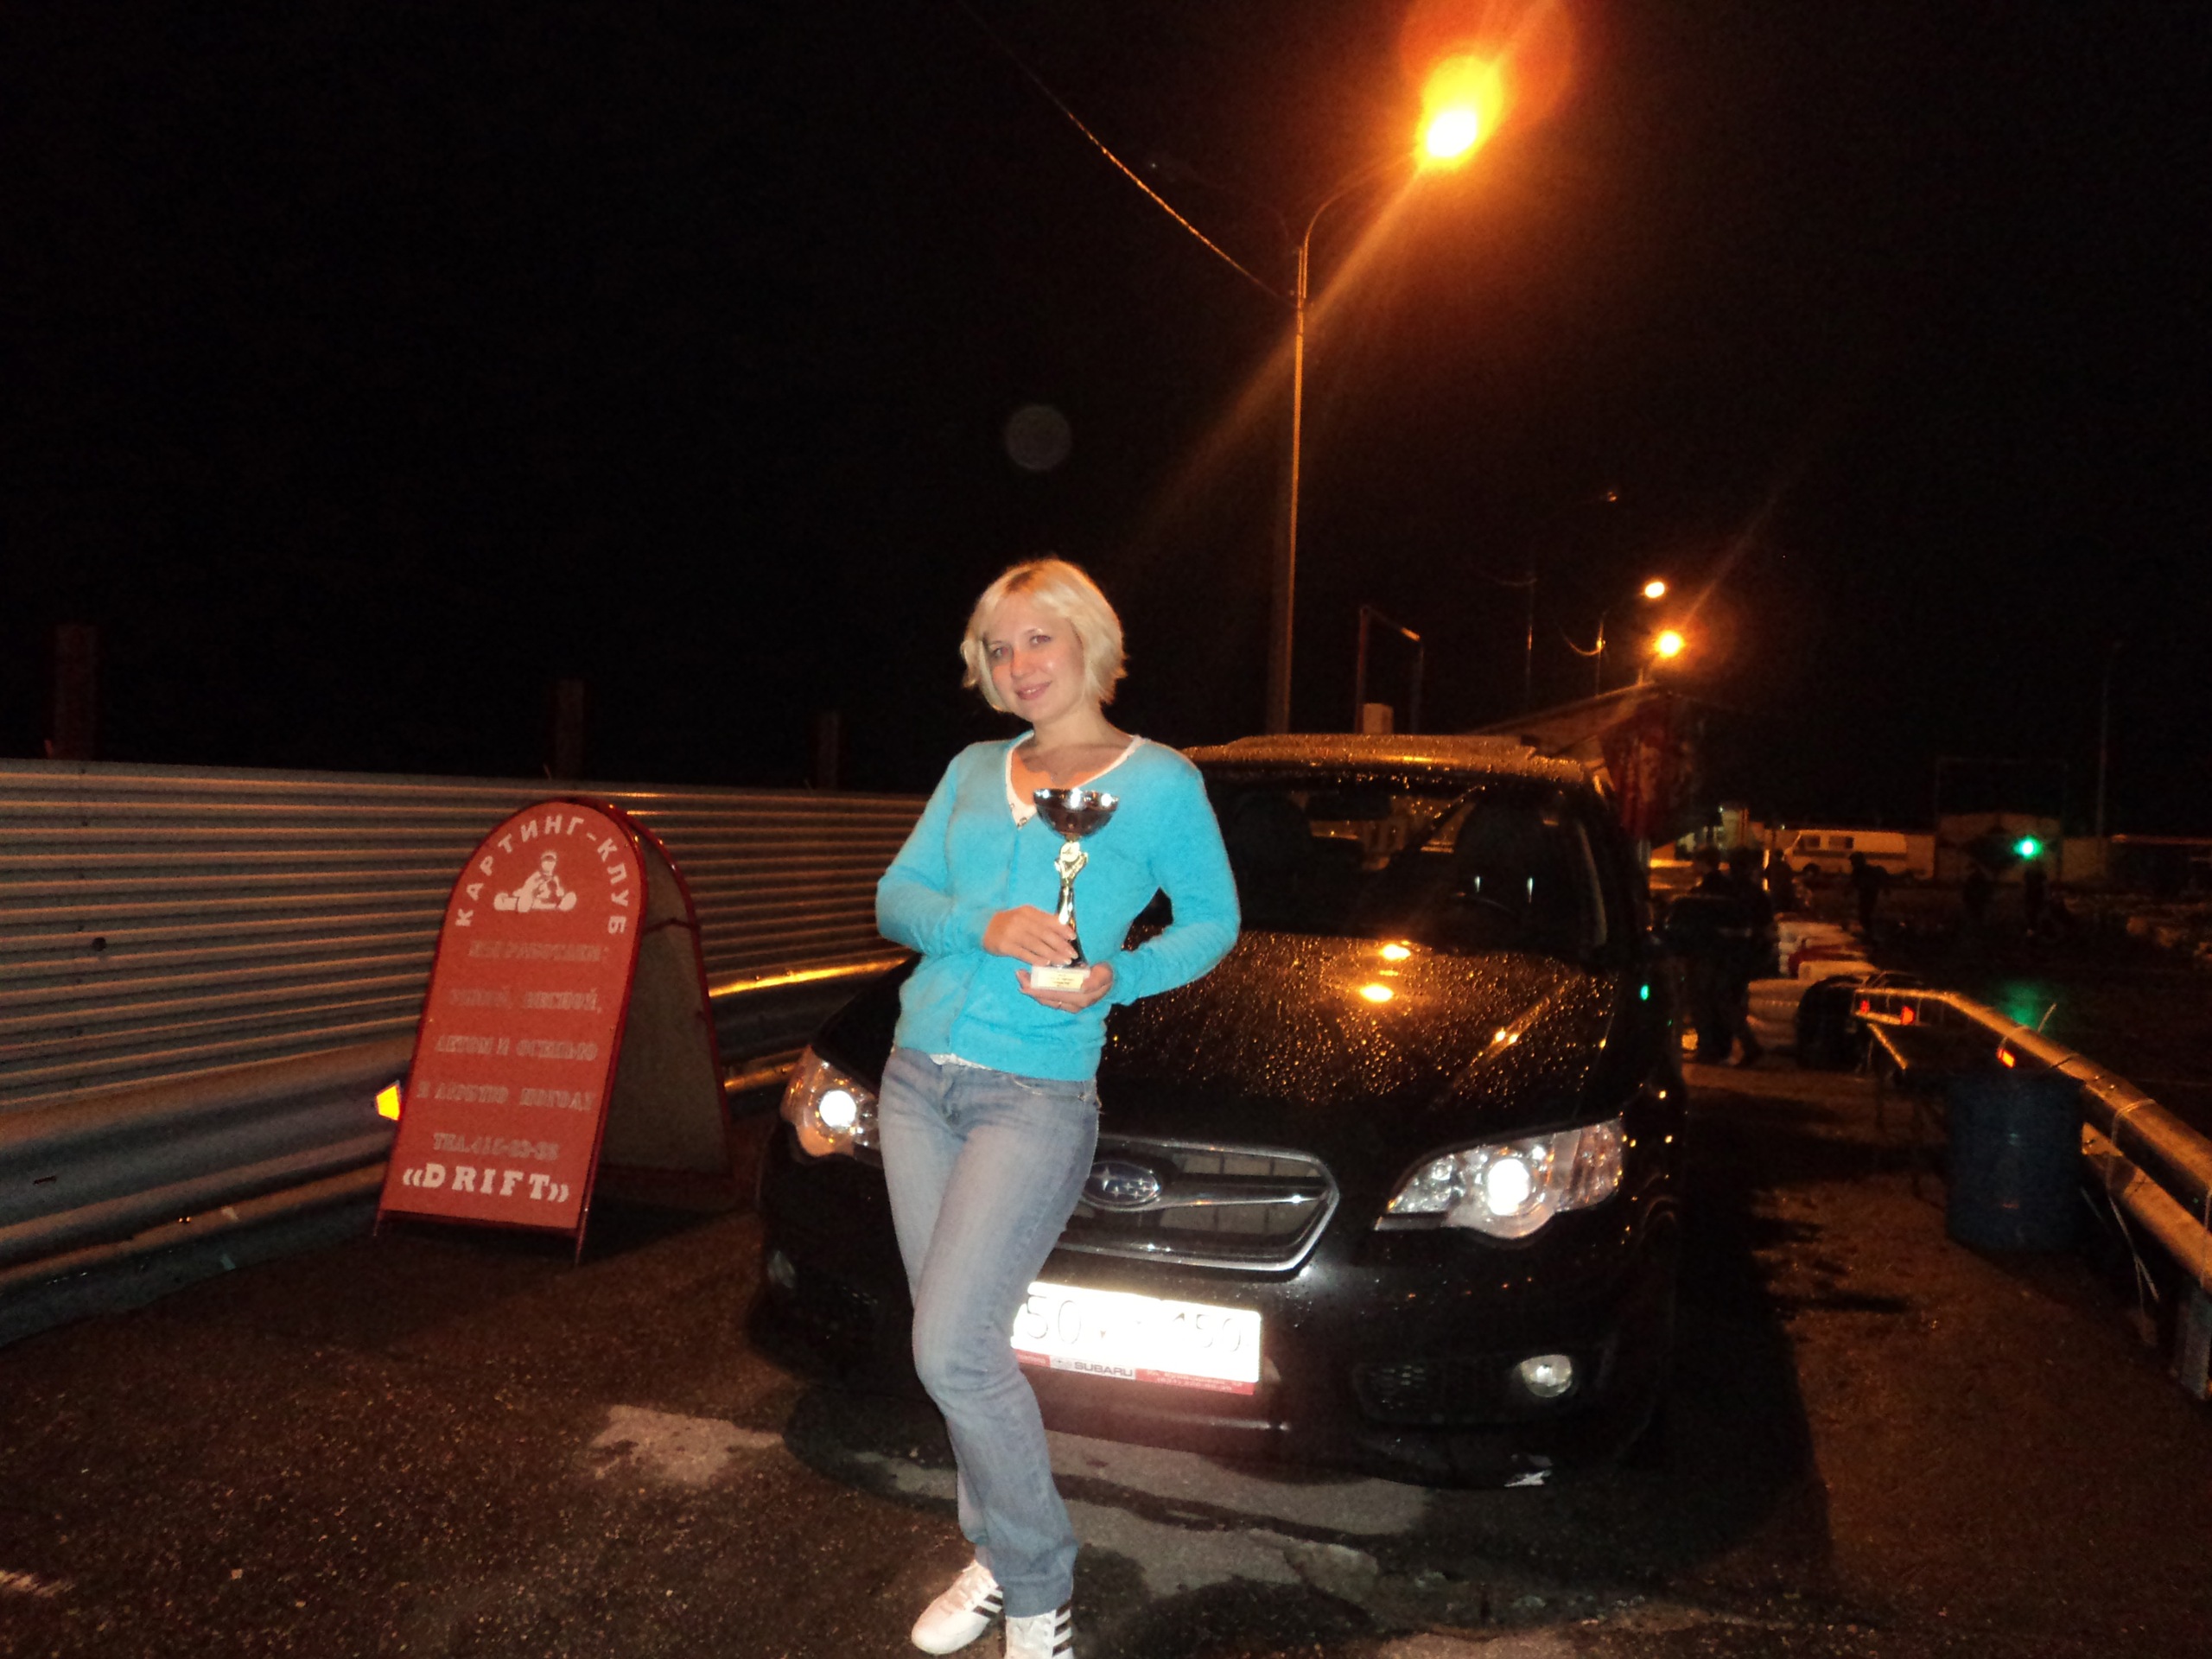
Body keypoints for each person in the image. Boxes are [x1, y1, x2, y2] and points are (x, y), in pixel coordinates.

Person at [875, 558, 1240, 1659]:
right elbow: (896, 898)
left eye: (1039, 637)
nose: (1019, 664)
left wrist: (1116, 975)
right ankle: (998, 1552)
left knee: (951, 1351)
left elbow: (1212, 921)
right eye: (998, 648)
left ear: (1088, 639)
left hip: (1032, 1092)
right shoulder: (972, 768)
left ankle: (1038, 1591)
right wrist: (982, 925)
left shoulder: (1161, 780)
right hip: (915, 1081)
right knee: (958, 1350)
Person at [1848, 850, 1889, 937]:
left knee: (1866, 913)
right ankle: (1869, 931)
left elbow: (1854, 883)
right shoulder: (1858, 872)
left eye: (1853, 861)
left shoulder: (1868, 871)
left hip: (1869, 894)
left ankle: (1870, 932)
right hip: (1866, 894)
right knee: (1865, 913)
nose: (1852, 864)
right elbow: (1853, 883)